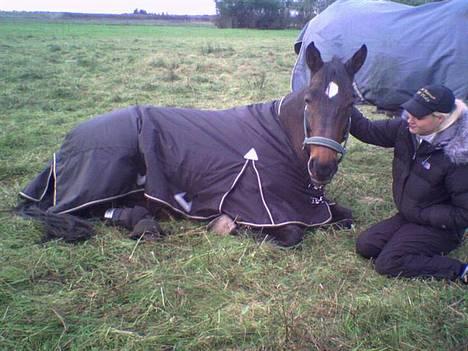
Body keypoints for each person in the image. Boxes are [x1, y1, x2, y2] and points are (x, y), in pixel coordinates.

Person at [350, 84, 468, 284]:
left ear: (439, 118)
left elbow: (464, 214)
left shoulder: (458, 157)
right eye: (411, 110)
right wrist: (342, 99)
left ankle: (460, 270)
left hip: (441, 227)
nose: (409, 118)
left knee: (389, 263)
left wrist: (422, 214)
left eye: (418, 115)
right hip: (409, 215)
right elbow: (367, 130)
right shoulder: (407, 129)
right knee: (366, 245)